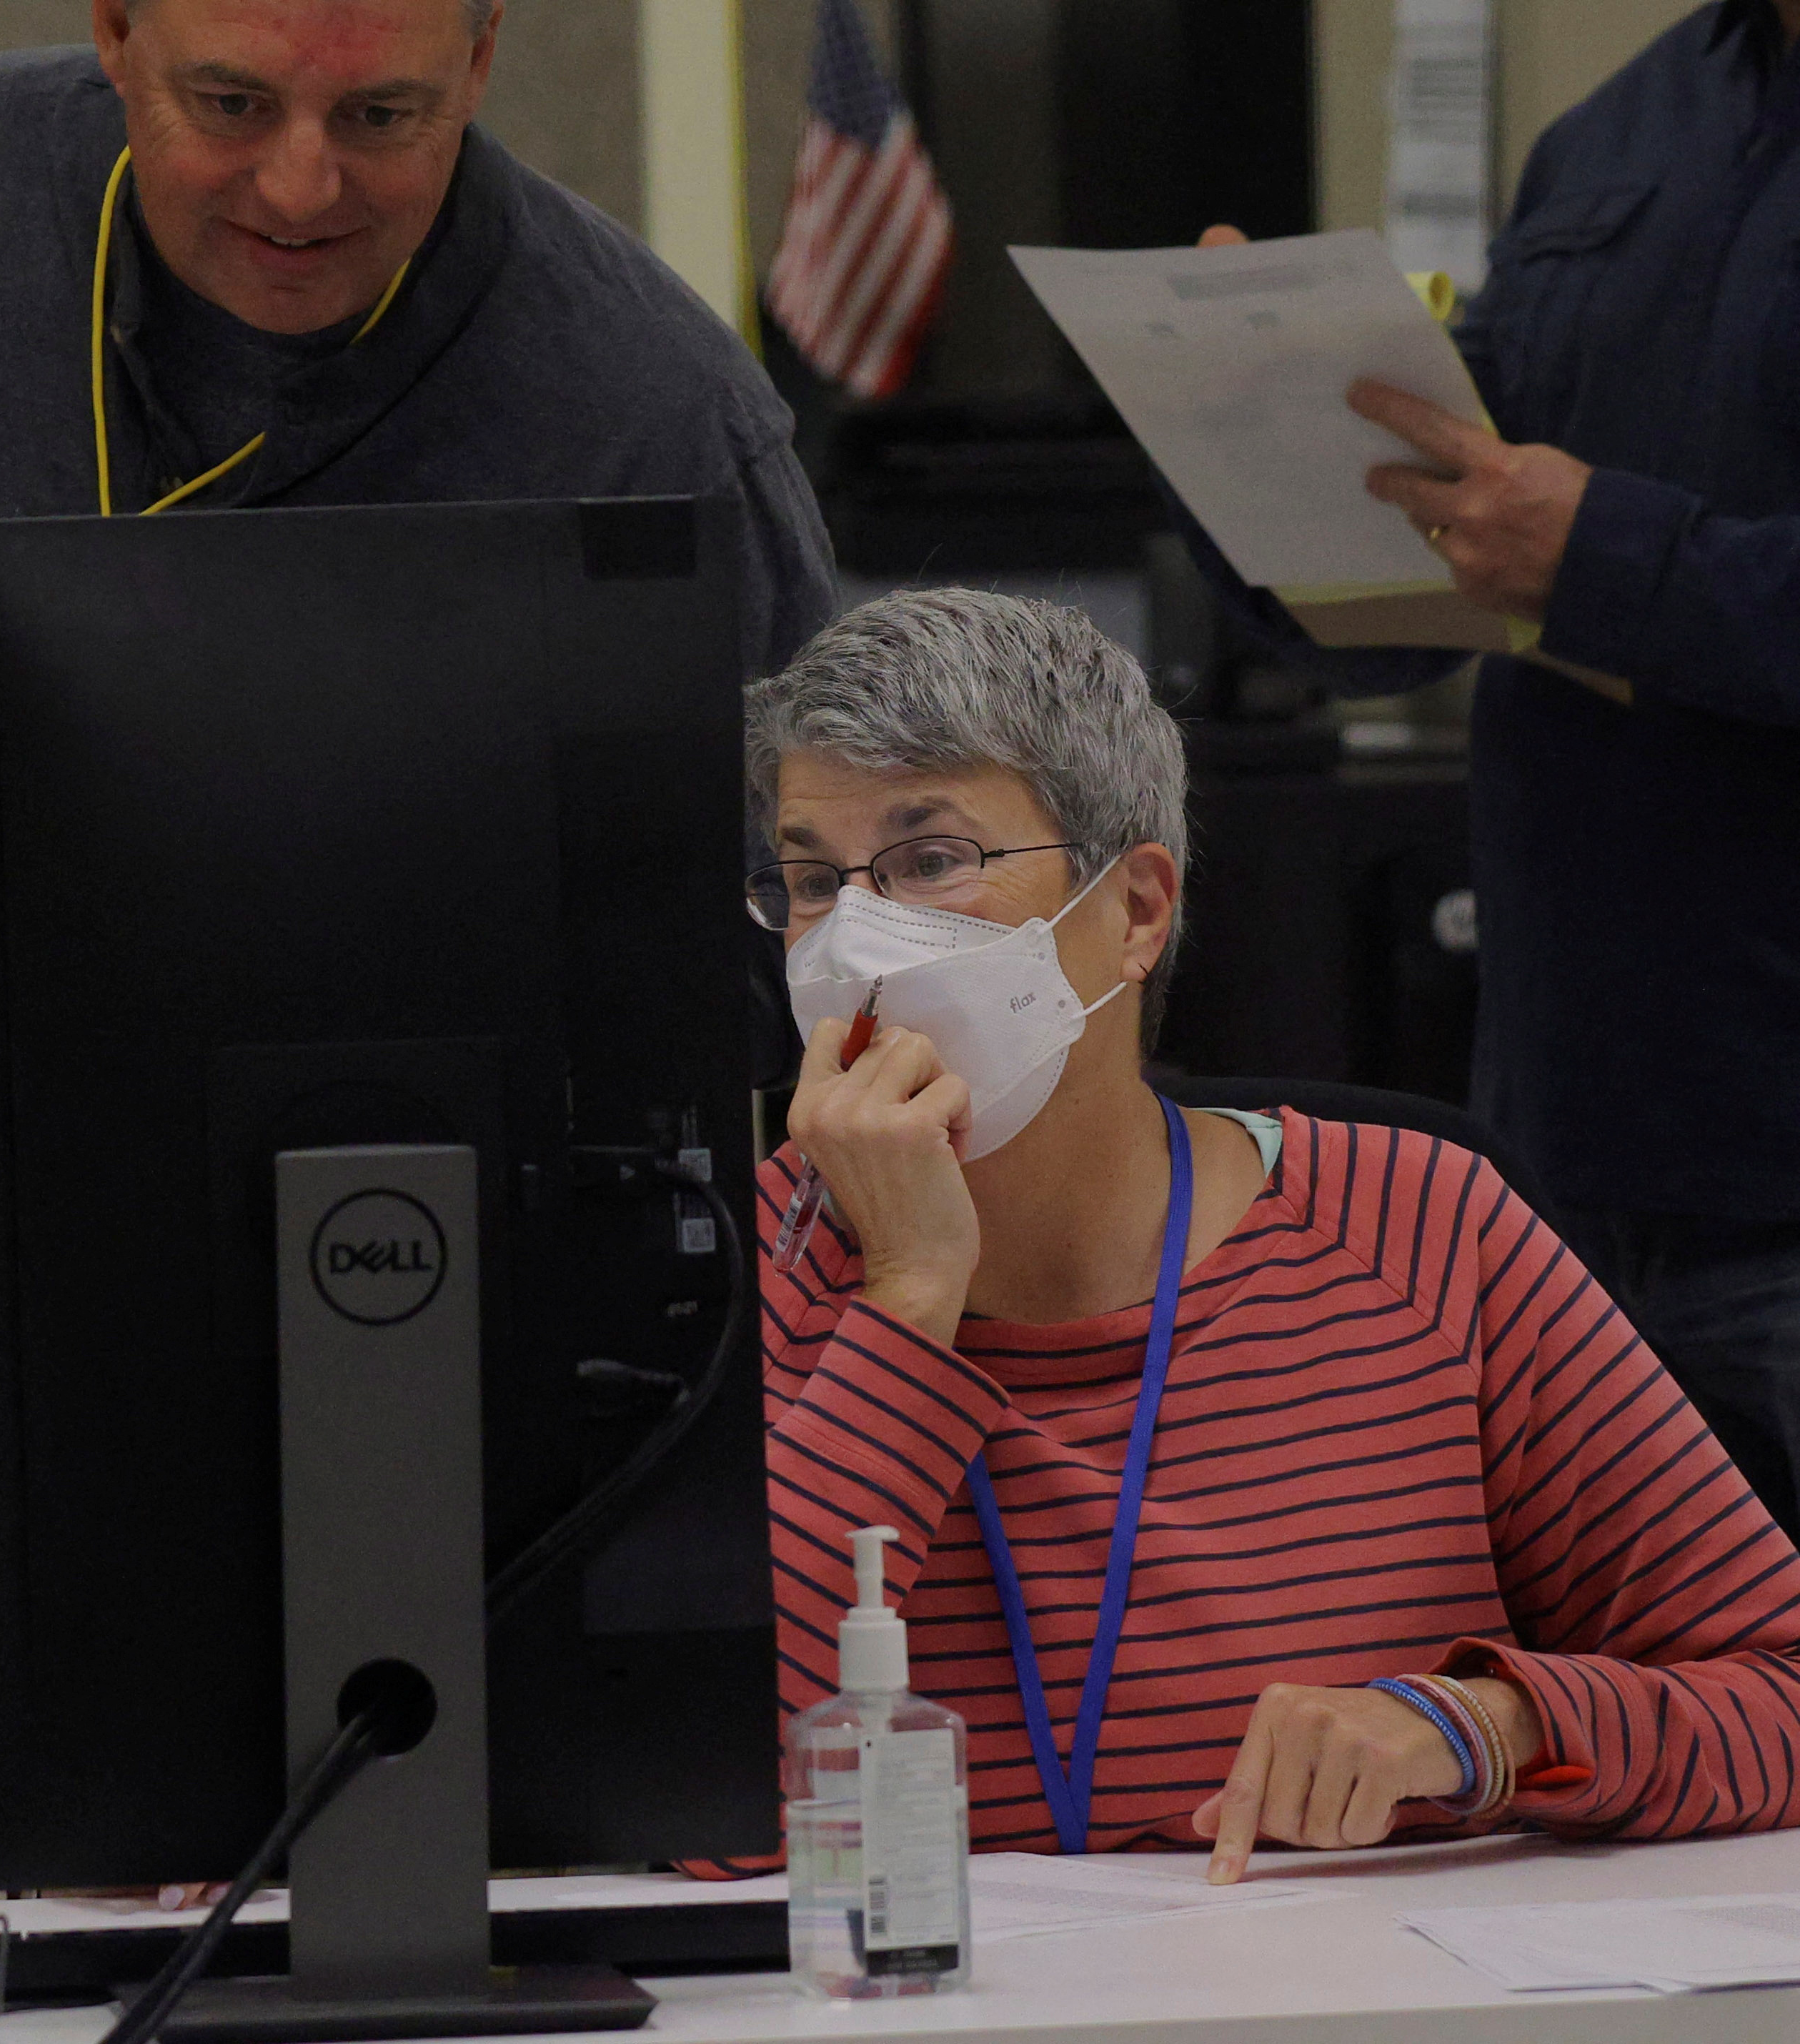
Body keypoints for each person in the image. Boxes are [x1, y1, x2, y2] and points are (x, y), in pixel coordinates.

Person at [0, 0, 837, 1576]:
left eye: (381, 118)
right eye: (231, 104)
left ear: (482, 62)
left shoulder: (653, 410)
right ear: (113, 32)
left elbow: (817, 912)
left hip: (473, 1407)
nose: (300, 188)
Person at [739, 590, 1800, 1880]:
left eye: (930, 861)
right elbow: (660, 1788)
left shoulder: (1423, 1231)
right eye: (810, 881)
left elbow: (1780, 1691)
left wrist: (1488, 1727)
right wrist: (905, 1301)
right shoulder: (727, 1275)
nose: (856, 942)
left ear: (1132, 912)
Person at [1187, 0, 1800, 1534]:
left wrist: (1607, 559)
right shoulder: (1614, 136)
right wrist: (1251, 453)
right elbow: (1434, 590)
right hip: (1572, 1153)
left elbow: (1570, 554)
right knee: (1616, 1740)